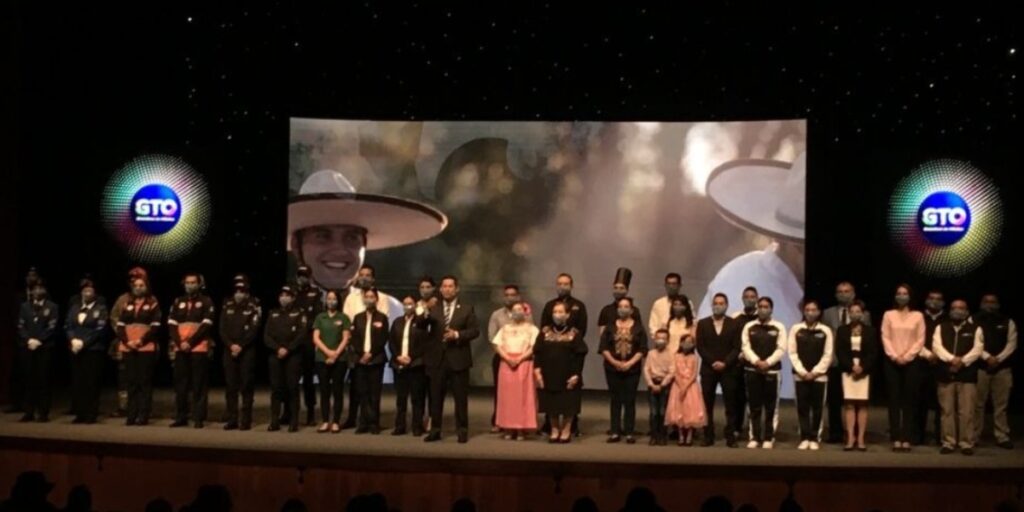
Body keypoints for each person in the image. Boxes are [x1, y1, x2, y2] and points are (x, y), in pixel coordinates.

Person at [288, 170, 447, 427]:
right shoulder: (292, 305)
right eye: (322, 236)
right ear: (297, 246)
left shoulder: (392, 307)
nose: (339, 250)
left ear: (365, 246)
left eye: (351, 237)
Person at [340, 264, 403, 430]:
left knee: (374, 390)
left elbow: (382, 324)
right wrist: (357, 348)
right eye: (362, 274)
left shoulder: (382, 298)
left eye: (368, 275)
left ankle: (373, 421)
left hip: (375, 350)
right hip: (355, 348)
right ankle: (354, 419)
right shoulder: (351, 298)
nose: (364, 278)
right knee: (356, 387)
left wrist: (370, 352)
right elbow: (348, 322)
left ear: (373, 278)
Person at [424, 275, 479, 444]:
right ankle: (435, 430)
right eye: (444, 286)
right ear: (440, 289)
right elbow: (420, 325)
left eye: (450, 286)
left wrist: (457, 335)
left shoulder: (467, 308)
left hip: (458, 359)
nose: (447, 289)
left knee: (460, 398)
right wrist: (425, 311)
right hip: (437, 360)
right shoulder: (433, 307)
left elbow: (475, 331)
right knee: (435, 398)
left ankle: (462, 430)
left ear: (457, 289)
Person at [821, 282, 873, 443]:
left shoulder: (865, 314)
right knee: (834, 400)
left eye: (846, 291)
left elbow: (868, 340)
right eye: (840, 291)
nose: (843, 294)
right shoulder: (827, 313)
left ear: (853, 293)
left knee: (856, 400)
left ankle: (856, 433)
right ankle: (836, 433)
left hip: (856, 364)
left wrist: (861, 364)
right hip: (835, 361)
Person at [933, 299, 985, 455]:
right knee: (947, 411)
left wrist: (962, 361)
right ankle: (948, 442)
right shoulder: (941, 327)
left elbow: (978, 349)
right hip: (945, 373)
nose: (957, 311)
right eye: (954, 308)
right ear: (950, 311)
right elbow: (937, 346)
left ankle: (966, 443)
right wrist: (951, 359)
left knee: (967, 412)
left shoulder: (975, 329)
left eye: (961, 308)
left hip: (967, 374)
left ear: (967, 312)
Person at [539, 273, 588, 436]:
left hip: (570, 355)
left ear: (571, 286)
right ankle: (550, 425)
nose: (562, 286)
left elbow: (582, 329)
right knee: (550, 391)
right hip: (551, 356)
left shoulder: (579, 306)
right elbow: (544, 328)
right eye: (560, 283)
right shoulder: (549, 305)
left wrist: (570, 342)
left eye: (566, 284)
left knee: (570, 392)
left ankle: (571, 426)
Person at [881, 284, 925, 452]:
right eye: (899, 293)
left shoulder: (918, 315)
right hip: (892, 361)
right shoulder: (888, 314)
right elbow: (885, 337)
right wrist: (895, 356)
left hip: (911, 362)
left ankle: (907, 437)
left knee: (909, 400)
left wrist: (907, 357)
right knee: (893, 400)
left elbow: (920, 339)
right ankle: (895, 437)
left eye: (905, 293)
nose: (901, 296)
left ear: (910, 296)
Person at [168, 273, 216, 429]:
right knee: (181, 384)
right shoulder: (178, 301)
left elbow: (206, 325)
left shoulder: (206, 301)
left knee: (199, 384)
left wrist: (190, 342)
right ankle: (181, 417)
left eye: (193, 282)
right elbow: (172, 324)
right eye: (187, 282)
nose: (190, 285)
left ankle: (198, 418)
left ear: (199, 284)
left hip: (198, 348)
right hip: (181, 348)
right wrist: (180, 342)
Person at [696, 293, 742, 447]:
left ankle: (731, 436)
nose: (718, 306)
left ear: (726, 305)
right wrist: (713, 362)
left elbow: (737, 347)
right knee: (707, 404)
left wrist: (725, 363)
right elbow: (700, 346)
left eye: (721, 303)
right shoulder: (703, 323)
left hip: (729, 369)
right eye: (716, 303)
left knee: (731, 404)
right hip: (708, 369)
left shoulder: (734, 324)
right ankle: (708, 435)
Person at [599, 296, 648, 444]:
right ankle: (615, 431)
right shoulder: (610, 326)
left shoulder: (638, 328)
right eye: (620, 307)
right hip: (612, 369)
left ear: (632, 310)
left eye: (626, 307)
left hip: (632, 369)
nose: (623, 309)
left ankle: (629, 432)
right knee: (615, 400)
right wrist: (614, 362)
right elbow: (603, 348)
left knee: (629, 400)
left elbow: (642, 349)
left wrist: (630, 363)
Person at [115, 275, 162, 426]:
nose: (138, 288)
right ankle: (131, 414)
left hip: (145, 348)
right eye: (136, 285)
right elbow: (120, 326)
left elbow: (155, 326)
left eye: (141, 285)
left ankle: (143, 415)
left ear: (146, 287)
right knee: (131, 382)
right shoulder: (127, 304)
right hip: (128, 348)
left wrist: (141, 341)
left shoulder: (153, 304)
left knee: (144, 382)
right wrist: (127, 342)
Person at [741, 296, 786, 449]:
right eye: (760, 306)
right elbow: (745, 347)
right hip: (752, 370)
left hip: (772, 372)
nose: (762, 309)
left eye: (766, 307)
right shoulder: (749, 326)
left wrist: (768, 362)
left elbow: (781, 349)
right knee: (754, 406)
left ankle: (768, 437)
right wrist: (756, 361)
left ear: (771, 309)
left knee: (771, 407)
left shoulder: (779, 327)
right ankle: (754, 437)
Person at [788, 299, 834, 450]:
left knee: (817, 407)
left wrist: (815, 372)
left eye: (813, 310)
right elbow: (792, 352)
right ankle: (804, 437)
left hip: (819, 376)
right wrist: (802, 371)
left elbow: (828, 354)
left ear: (819, 312)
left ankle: (814, 437)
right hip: (800, 376)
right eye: (807, 310)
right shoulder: (796, 329)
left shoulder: (825, 330)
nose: (810, 313)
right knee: (802, 407)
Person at [973, 293, 1017, 450]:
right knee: (977, 405)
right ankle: (974, 436)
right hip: (980, 368)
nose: (989, 304)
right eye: (986, 301)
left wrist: (997, 359)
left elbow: (1012, 344)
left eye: (993, 302)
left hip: (1002, 368)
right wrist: (987, 358)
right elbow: (974, 343)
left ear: (998, 304)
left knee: (1001, 406)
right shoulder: (973, 320)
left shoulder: (1007, 321)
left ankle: (1002, 436)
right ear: (981, 304)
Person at [834, 300, 878, 451]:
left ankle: (860, 438)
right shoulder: (842, 330)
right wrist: (851, 366)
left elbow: (873, 352)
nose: (854, 314)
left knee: (863, 405)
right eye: (852, 311)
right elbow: (840, 351)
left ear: (863, 314)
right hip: (848, 370)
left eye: (858, 311)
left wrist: (862, 367)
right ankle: (850, 437)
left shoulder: (871, 331)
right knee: (849, 405)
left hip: (864, 371)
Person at [492, 301, 539, 440]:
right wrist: (507, 358)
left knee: (523, 397)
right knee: (507, 397)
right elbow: (497, 345)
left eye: (520, 309)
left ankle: (521, 429)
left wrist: (520, 359)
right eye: (514, 309)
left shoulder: (532, 329)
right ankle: (508, 427)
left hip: (524, 363)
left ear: (525, 312)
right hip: (506, 364)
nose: (517, 312)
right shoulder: (505, 328)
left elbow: (534, 347)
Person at [108, 267, 149, 418]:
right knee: (124, 377)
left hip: (144, 344)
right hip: (124, 343)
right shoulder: (122, 299)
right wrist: (125, 337)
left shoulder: (151, 300)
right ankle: (124, 407)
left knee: (143, 378)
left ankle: (142, 409)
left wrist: (140, 339)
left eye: (138, 279)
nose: (134, 282)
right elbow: (114, 318)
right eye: (132, 280)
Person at [220, 280, 261, 431]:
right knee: (231, 386)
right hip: (229, 350)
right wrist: (231, 345)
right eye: (236, 291)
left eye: (242, 292)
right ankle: (232, 418)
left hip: (247, 351)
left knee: (246, 385)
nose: (238, 294)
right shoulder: (227, 307)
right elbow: (222, 329)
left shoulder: (252, 308)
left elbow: (254, 330)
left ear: (246, 293)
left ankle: (245, 420)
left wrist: (240, 346)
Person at [65, 280, 108, 424]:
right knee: (78, 382)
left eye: (90, 291)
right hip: (75, 349)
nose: (87, 293)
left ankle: (91, 413)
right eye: (84, 291)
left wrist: (84, 342)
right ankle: (80, 413)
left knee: (92, 382)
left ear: (95, 294)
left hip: (93, 350)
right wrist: (73, 340)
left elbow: (100, 330)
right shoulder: (74, 308)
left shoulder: (101, 309)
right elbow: (68, 325)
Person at [265, 286, 307, 432]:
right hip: (275, 355)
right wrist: (278, 349)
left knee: (292, 388)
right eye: (282, 295)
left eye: (287, 295)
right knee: (276, 388)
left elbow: (301, 334)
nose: (284, 298)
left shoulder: (299, 313)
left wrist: (288, 349)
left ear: (293, 298)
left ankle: (294, 421)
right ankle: (274, 421)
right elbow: (267, 336)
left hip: (293, 355)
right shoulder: (273, 313)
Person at [16, 281, 59, 422]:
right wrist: (29, 340)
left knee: (43, 380)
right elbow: (21, 326)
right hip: (28, 347)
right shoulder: (25, 306)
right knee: (28, 380)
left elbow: (52, 327)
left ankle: (43, 412)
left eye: (40, 289)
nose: (37, 291)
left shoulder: (52, 307)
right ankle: (28, 411)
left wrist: (39, 340)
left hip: (44, 347)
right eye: (35, 289)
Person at [351, 288, 389, 434]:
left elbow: (383, 338)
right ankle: (363, 423)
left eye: (372, 296)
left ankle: (374, 423)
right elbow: (355, 338)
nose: (369, 299)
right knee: (362, 392)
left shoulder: (382, 317)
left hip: (376, 359)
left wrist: (370, 353)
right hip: (360, 360)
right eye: (366, 296)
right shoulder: (358, 317)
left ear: (376, 299)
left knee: (374, 393)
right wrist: (362, 354)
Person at [311, 290, 351, 434]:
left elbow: (346, 338)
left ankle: (335, 422)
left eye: (334, 298)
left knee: (337, 390)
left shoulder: (343, 317)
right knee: (324, 391)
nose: (331, 301)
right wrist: (328, 352)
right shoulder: (320, 317)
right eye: (329, 298)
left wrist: (335, 354)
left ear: (338, 301)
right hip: (322, 359)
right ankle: (325, 421)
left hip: (340, 359)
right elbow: (316, 338)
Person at [389, 295, 429, 436]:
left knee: (417, 398)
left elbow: (424, 344)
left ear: (415, 305)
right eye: (405, 304)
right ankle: (400, 426)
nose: (407, 306)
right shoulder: (397, 322)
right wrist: (398, 356)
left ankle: (417, 426)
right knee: (401, 399)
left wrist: (411, 357)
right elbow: (392, 341)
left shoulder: (421, 322)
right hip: (399, 365)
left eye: (410, 303)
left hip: (415, 364)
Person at [6, 268, 42, 415]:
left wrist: (36, 338)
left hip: (39, 340)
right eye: (29, 275)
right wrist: (25, 337)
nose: (31, 278)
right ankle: (17, 403)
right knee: (19, 372)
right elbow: (14, 318)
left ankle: (37, 404)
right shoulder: (18, 296)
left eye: (34, 275)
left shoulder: (44, 295)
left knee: (38, 373)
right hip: (21, 339)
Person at [487, 285, 523, 433]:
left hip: (522, 358)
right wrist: (506, 357)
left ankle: (519, 421)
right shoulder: (496, 315)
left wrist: (521, 357)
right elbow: (492, 338)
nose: (509, 298)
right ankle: (499, 420)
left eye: (512, 295)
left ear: (518, 297)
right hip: (501, 357)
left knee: (519, 392)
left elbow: (531, 334)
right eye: (507, 295)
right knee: (501, 391)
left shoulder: (526, 314)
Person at [292, 265, 322, 427]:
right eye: (300, 275)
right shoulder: (291, 292)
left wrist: (302, 326)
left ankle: (311, 413)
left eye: (305, 275)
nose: (302, 278)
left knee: (308, 380)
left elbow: (316, 317)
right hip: (292, 342)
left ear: (310, 277)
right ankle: (289, 412)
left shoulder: (315, 294)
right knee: (290, 380)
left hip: (307, 342)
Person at [729, 286, 760, 442]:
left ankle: (755, 429)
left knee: (755, 398)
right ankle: (736, 428)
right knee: (737, 398)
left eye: (752, 296)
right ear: (742, 299)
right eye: (746, 296)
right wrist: (738, 355)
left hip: (756, 363)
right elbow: (732, 340)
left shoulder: (761, 317)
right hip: (738, 363)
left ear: (757, 298)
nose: (749, 299)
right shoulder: (735, 317)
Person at [916, 289, 946, 446]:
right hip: (921, 363)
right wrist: (928, 355)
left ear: (943, 302)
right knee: (920, 402)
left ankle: (941, 436)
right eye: (931, 298)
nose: (934, 301)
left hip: (942, 364)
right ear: (926, 300)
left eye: (938, 299)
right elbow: (914, 339)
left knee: (942, 404)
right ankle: (918, 436)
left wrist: (939, 355)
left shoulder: (948, 319)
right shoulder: (918, 317)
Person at [665, 335, 706, 446]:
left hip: (691, 386)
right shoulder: (676, 356)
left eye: (690, 342)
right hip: (677, 386)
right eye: (685, 342)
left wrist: (686, 386)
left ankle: (689, 435)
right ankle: (681, 435)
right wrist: (681, 385)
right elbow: (674, 372)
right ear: (681, 343)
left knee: (691, 410)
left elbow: (694, 374)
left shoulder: (695, 357)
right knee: (679, 409)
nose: (687, 344)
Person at [643, 329, 675, 446]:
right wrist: (651, 383)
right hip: (652, 383)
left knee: (662, 411)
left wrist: (662, 384)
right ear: (655, 339)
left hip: (664, 385)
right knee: (653, 412)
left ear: (668, 340)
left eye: (663, 338)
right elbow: (646, 369)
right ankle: (653, 435)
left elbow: (672, 371)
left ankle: (662, 435)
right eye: (658, 338)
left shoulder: (671, 354)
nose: (661, 340)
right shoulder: (651, 354)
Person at [597, 267, 641, 337]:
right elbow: (602, 334)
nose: (618, 290)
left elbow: (639, 333)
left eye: (621, 288)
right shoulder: (606, 310)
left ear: (627, 290)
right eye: (616, 288)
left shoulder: (634, 311)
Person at [649, 273, 694, 338]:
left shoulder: (687, 303)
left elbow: (692, 322)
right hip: (663, 340)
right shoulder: (658, 303)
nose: (671, 287)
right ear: (665, 285)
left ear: (679, 286)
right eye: (668, 284)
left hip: (683, 340)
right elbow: (653, 326)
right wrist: (660, 338)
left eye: (674, 284)